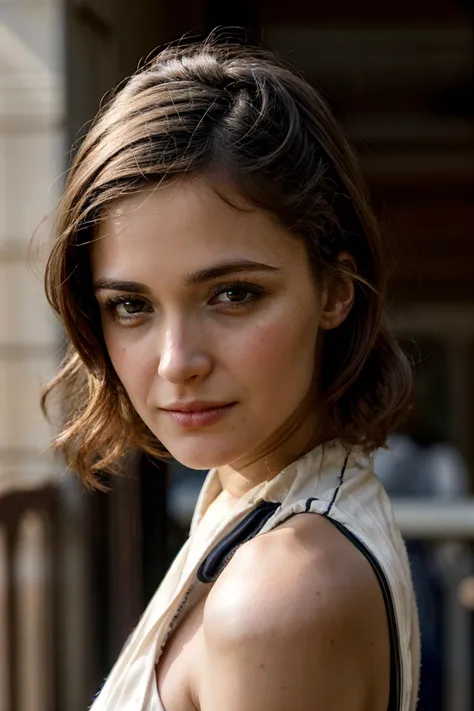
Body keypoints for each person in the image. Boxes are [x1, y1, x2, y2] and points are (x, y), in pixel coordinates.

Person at [42, 31, 420, 711]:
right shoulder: (259, 499)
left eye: (233, 293)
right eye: (131, 305)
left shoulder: (277, 596)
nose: (177, 361)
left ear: (334, 290)